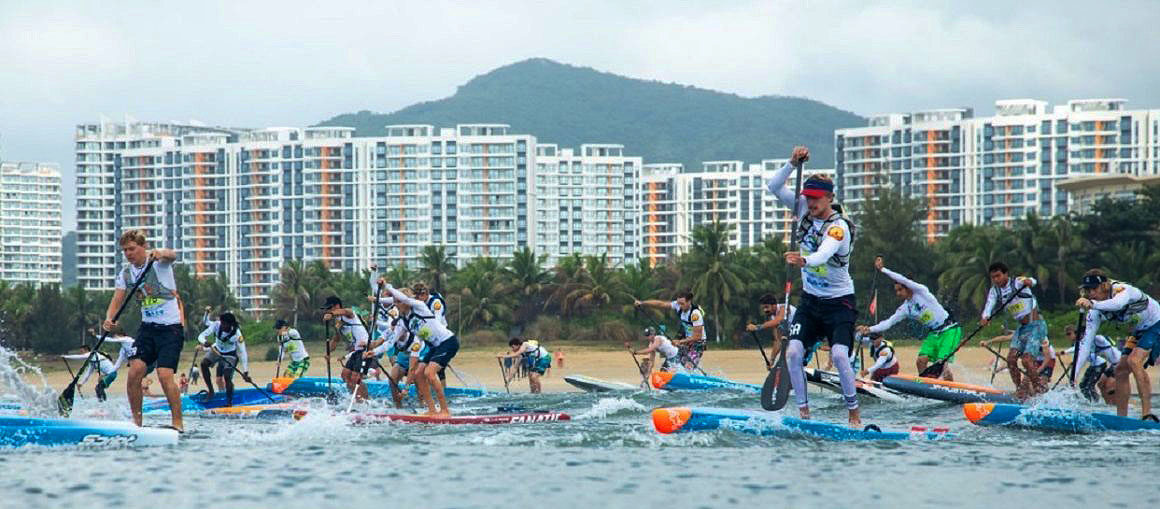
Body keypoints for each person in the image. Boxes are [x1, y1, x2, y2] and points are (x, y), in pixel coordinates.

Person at [766, 145, 860, 426]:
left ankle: (853, 413)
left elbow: (823, 254)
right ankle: (804, 413)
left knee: (840, 356)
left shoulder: (839, 227)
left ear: (830, 198)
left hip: (839, 303)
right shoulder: (802, 208)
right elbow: (774, 186)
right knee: (794, 353)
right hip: (810, 301)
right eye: (808, 197)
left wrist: (803, 260)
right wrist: (791, 163)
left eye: (817, 198)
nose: (811, 202)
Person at [103, 229, 184, 431]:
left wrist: (161, 253)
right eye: (125, 250)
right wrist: (109, 319)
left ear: (143, 247)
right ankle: (137, 423)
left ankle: (177, 423)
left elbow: (172, 255)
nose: (128, 253)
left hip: (170, 329)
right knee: (134, 373)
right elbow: (117, 300)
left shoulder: (158, 263)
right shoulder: (125, 274)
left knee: (164, 375)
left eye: (132, 249)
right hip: (147, 330)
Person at [857, 257, 962, 381]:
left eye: (900, 290)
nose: (898, 293)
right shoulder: (905, 308)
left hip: (950, 330)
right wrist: (869, 329)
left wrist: (883, 269)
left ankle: (950, 388)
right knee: (920, 361)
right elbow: (888, 323)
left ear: (908, 287)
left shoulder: (921, 291)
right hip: (934, 334)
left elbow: (903, 279)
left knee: (942, 365)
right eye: (896, 291)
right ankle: (924, 386)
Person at [1074, 269, 1160, 418]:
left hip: (1157, 323)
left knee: (1134, 361)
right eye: (1087, 290)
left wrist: (1093, 304)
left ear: (1104, 286)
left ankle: (1147, 415)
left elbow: (1117, 304)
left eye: (1094, 289)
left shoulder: (1123, 290)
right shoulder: (1095, 310)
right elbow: (1085, 345)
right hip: (1140, 330)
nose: (1091, 293)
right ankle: (1122, 418)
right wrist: (1074, 376)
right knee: (1120, 370)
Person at [384, 284, 459, 416]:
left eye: (399, 302)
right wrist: (374, 351)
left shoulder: (421, 306)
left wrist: (386, 286)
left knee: (429, 373)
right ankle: (432, 410)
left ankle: (445, 410)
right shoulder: (406, 321)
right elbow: (391, 342)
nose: (396, 305)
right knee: (419, 373)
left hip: (447, 342)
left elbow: (404, 299)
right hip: (434, 346)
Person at [980, 262, 1045, 398]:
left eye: (998, 276)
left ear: (1006, 274)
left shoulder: (1017, 282)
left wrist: (1029, 281)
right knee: (1011, 360)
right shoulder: (994, 291)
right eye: (993, 277)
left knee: (1026, 360)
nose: (996, 280)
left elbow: (1033, 281)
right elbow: (989, 305)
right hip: (1021, 329)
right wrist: (985, 317)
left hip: (1036, 325)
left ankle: (1040, 392)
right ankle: (1020, 392)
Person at [635, 291, 706, 372]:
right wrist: (642, 303)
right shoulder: (678, 305)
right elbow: (660, 304)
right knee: (671, 366)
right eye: (678, 303)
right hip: (686, 342)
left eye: (682, 304)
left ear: (689, 301)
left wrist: (680, 341)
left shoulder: (695, 314)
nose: (679, 306)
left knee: (687, 367)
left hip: (698, 344)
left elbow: (697, 337)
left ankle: (691, 374)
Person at [366, 303, 417, 408]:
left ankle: (422, 404)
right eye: (393, 329)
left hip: (416, 358)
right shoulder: (392, 330)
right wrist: (368, 347)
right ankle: (398, 406)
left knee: (418, 381)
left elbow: (412, 370)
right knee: (392, 379)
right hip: (403, 358)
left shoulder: (413, 337)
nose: (395, 331)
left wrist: (406, 389)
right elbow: (380, 343)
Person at [322, 296, 371, 402]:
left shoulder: (349, 314)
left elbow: (346, 311)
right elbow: (336, 339)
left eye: (329, 308)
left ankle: (366, 401)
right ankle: (356, 399)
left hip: (366, 349)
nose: (327, 311)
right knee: (345, 375)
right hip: (355, 351)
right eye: (327, 309)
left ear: (337, 306)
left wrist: (331, 314)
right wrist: (328, 352)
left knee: (355, 377)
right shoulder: (337, 322)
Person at [197, 312, 250, 407]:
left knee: (227, 376)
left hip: (230, 355)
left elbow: (243, 352)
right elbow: (200, 336)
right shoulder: (216, 325)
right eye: (222, 323)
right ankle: (211, 391)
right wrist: (204, 342)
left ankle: (229, 402)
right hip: (216, 350)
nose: (222, 326)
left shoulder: (237, 334)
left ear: (230, 325)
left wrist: (245, 372)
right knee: (203, 364)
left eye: (225, 324)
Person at [1067, 324, 1120, 403]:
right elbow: (1082, 355)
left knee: (1109, 386)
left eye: (1080, 334)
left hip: (1119, 363)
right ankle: (1104, 403)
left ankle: (1117, 402)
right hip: (1113, 365)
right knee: (1100, 384)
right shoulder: (1086, 343)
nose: (1080, 336)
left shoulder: (1097, 338)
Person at [746, 293, 796, 366]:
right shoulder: (773, 318)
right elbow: (778, 341)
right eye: (763, 308)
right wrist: (772, 360)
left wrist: (757, 327)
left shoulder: (784, 308)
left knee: (791, 356)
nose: (765, 310)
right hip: (796, 338)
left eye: (767, 307)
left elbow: (778, 321)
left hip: (807, 334)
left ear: (774, 305)